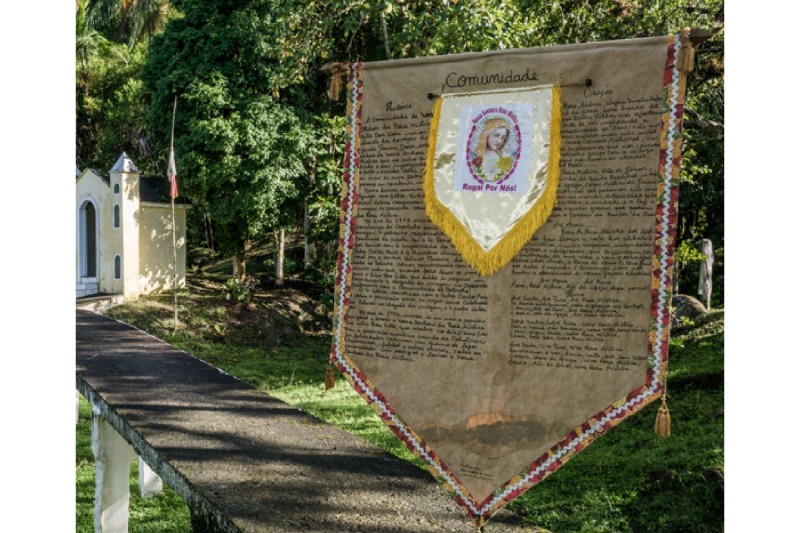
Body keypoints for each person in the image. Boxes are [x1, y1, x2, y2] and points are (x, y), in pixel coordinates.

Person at [471, 118, 513, 182]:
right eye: (496, 135)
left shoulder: (503, 156)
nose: (499, 141)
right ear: (486, 135)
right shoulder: (475, 156)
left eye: (503, 137)